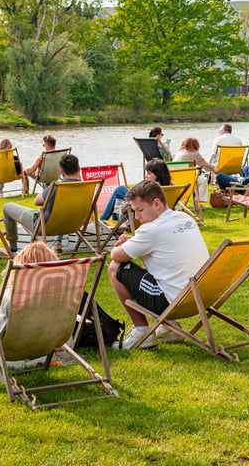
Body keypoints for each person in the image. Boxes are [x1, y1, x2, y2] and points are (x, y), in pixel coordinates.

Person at [108, 180, 209, 349]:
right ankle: (170, 328)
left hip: (173, 303)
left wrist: (127, 244)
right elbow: (160, 244)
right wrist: (135, 242)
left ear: (156, 204)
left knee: (115, 267)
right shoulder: (185, 218)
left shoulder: (150, 230)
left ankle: (142, 331)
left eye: (140, 210)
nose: (137, 217)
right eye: (134, 211)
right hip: (202, 296)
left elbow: (115, 255)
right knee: (153, 258)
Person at [0, 153, 81, 256]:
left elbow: (36, 201)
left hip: (45, 226)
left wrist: (47, 191)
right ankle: (57, 241)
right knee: (63, 212)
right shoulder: (86, 187)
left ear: (62, 172)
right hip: (73, 225)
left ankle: (13, 250)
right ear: (79, 169)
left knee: (7, 207)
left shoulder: (56, 187)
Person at [100, 158, 172, 221]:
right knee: (117, 200)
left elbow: (130, 205)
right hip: (158, 219)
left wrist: (128, 198)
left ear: (158, 175)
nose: (146, 176)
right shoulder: (171, 187)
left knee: (119, 190)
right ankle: (114, 230)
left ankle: (101, 222)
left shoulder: (150, 190)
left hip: (136, 221)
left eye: (149, 174)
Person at [174, 137, 217, 203]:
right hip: (187, 181)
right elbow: (207, 167)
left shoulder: (178, 153)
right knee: (203, 180)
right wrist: (214, 166)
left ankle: (189, 203)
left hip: (176, 180)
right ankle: (198, 202)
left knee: (196, 178)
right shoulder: (194, 154)